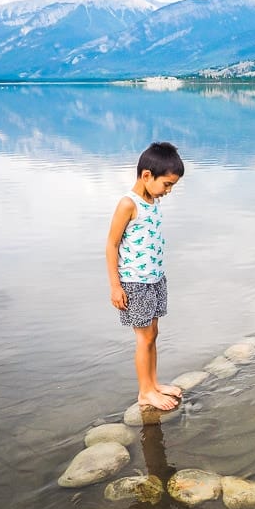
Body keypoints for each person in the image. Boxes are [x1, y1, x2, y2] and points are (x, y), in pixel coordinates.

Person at [106, 142, 185, 410]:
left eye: (172, 185)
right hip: (135, 283)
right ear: (147, 176)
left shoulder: (152, 200)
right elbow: (111, 245)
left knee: (153, 334)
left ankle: (153, 384)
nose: (169, 191)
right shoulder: (128, 204)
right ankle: (144, 392)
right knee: (143, 337)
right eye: (167, 184)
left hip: (154, 280)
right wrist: (116, 287)